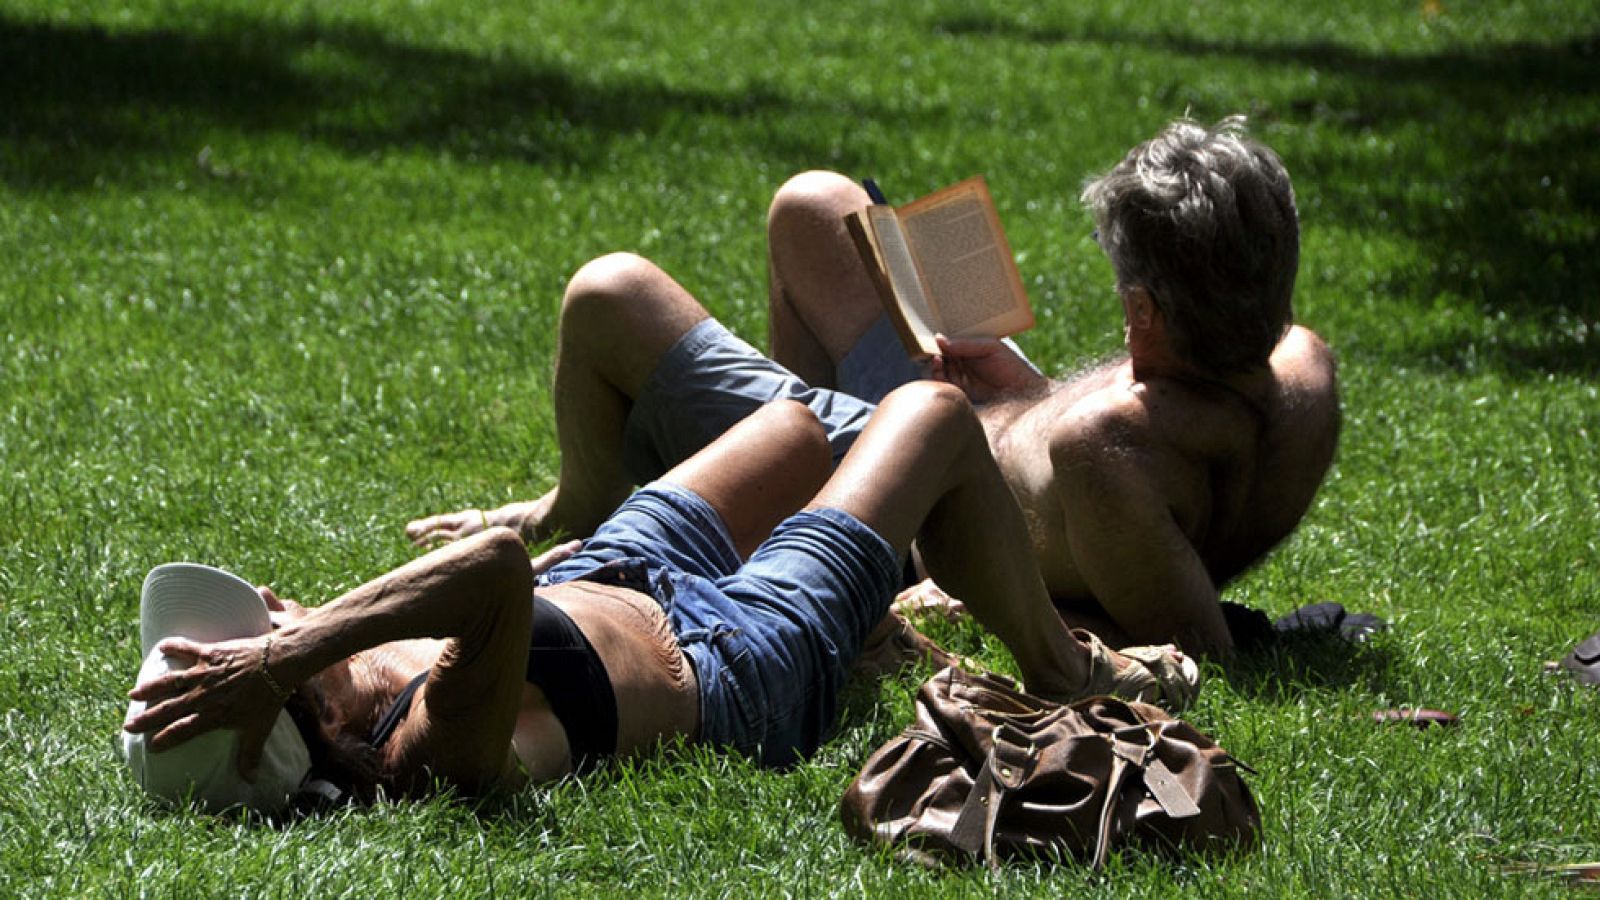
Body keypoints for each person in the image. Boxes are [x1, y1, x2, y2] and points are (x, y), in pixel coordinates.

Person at [407, 117, 1340, 661]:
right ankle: (769, 487)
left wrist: (977, 593)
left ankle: (598, 501)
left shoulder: (1110, 454)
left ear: (1142, 315)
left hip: (903, 473)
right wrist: (1020, 389)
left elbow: (1189, 648)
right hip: (978, 418)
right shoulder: (1302, 366)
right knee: (817, 203)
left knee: (609, 293)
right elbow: (1130, 501)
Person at [122, 388, 1197, 812]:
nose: (265, 601)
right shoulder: (419, 749)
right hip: (728, 658)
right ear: (287, 713)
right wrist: (287, 650)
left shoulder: (344, 668)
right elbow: (492, 567)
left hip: (609, 576)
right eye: (249, 633)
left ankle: (868, 619)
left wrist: (286, 649)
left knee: (791, 431)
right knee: (931, 418)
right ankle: (1062, 663)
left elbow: (515, 580)